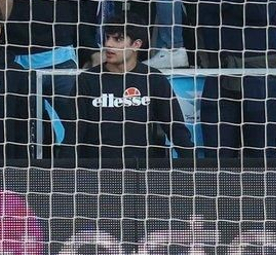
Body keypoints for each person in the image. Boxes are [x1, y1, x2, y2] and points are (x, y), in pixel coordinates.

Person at [61, 14, 192, 166]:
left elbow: (177, 130)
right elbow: (72, 136)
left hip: (143, 172)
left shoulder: (153, 78)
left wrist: (193, 171)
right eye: (108, 37)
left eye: (118, 39)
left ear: (136, 44)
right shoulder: (87, 80)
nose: (109, 44)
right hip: (95, 173)